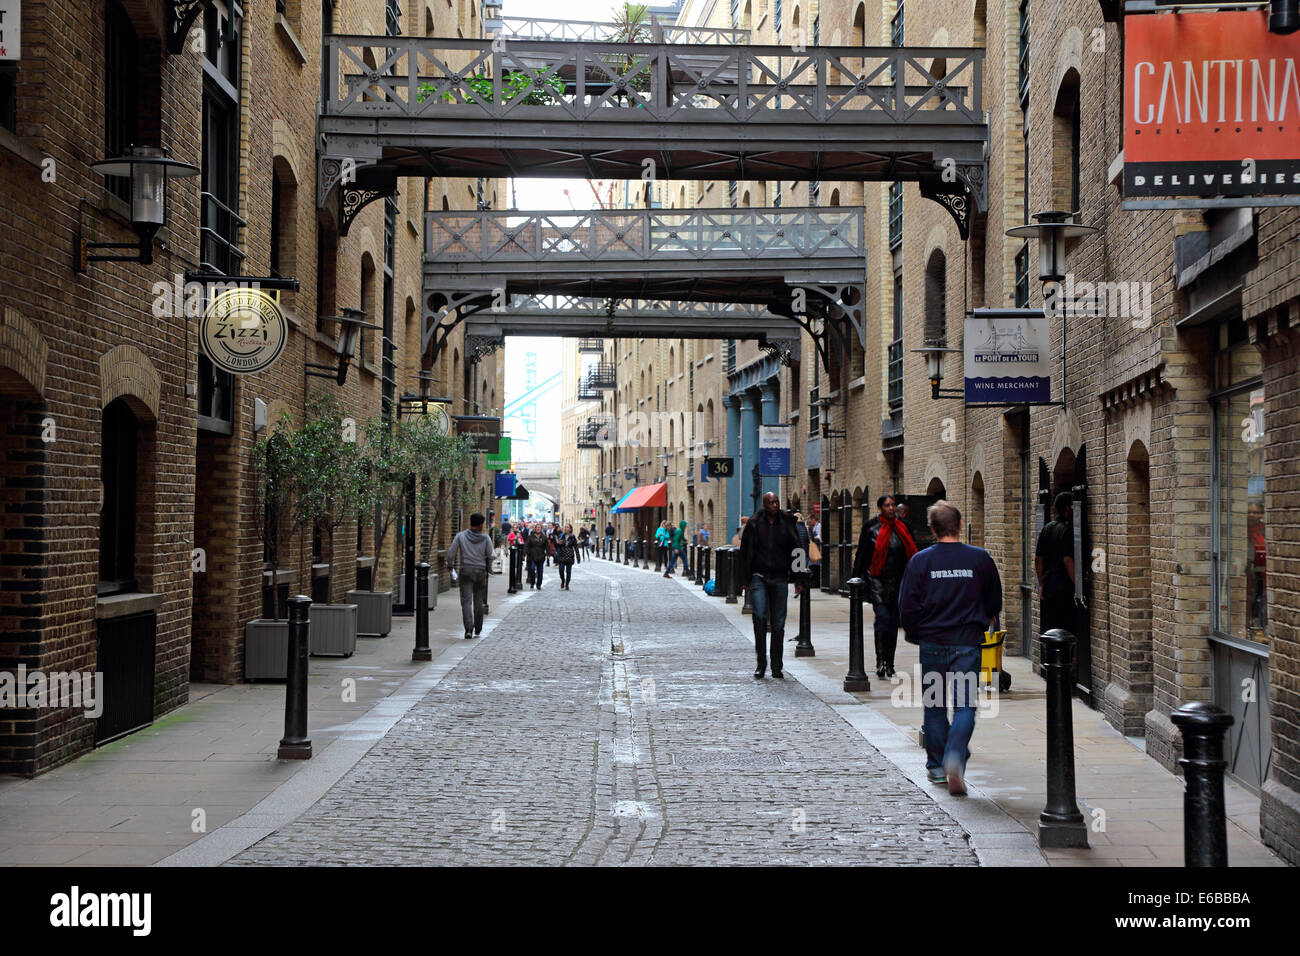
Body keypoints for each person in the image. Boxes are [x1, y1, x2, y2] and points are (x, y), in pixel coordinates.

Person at [899, 501, 1003, 796]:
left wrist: (917, 633)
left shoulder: (920, 561)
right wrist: (983, 622)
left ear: (932, 529)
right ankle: (954, 756)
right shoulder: (980, 559)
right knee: (965, 705)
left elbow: (907, 606)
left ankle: (936, 767)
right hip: (967, 644)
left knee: (934, 705)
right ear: (959, 525)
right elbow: (994, 600)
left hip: (932, 643)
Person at [853, 493, 918, 679]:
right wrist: (855, 579)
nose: (891, 508)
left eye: (893, 505)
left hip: (898, 582)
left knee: (892, 624)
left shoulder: (904, 527)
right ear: (880, 508)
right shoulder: (871, 528)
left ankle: (890, 663)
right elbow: (862, 555)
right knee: (882, 620)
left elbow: (912, 555)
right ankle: (880, 661)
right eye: (887, 505)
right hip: (877, 581)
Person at [737, 492, 802, 679]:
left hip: (780, 577)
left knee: (778, 623)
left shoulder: (787, 522)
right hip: (759, 576)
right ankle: (761, 663)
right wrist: (744, 579)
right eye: (771, 502)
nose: (775, 505)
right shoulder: (755, 523)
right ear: (764, 505)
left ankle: (776, 666)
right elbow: (745, 551)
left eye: (777, 502)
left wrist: (799, 579)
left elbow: (798, 549)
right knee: (759, 617)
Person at [446, 512, 495, 640]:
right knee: (479, 600)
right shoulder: (486, 539)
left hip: (465, 571)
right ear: (480, 525)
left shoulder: (460, 536)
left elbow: (451, 553)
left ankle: (468, 629)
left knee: (466, 601)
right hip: (480, 572)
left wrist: (450, 565)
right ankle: (478, 627)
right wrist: (488, 565)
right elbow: (492, 555)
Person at [1035, 492, 1076, 635]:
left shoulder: (1046, 528)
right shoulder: (1068, 530)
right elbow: (1067, 560)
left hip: (1048, 586)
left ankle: (1051, 657)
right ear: (1067, 509)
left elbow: (1038, 561)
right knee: (1066, 629)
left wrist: (1041, 585)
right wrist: (1077, 584)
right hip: (1064, 587)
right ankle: (1065, 657)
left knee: (1051, 628)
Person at [555, 524, 578, 589]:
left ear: (570, 529)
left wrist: (578, 557)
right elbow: (556, 545)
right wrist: (558, 543)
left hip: (569, 556)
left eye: (567, 527)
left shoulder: (572, 537)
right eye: (565, 527)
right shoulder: (561, 536)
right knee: (561, 570)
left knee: (568, 572)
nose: (565, 528)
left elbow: (575, 547)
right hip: (562, 555)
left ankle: (567, 584)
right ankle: (563, 580)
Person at [807, 513, 823, 588]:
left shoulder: (819, 526)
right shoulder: (813, 527)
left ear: (813, 519)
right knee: (814, 565)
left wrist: (814, 538)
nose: (809, 523)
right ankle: (814, 582)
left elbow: (820, 536)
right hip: (815, 548)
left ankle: (816, 582)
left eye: (810, 521)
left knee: (815, 566)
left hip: (817, 548)